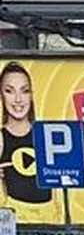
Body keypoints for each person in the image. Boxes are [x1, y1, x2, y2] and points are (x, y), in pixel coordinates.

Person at [0, 59, 44, 205]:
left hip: (52, 220)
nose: (18, 99)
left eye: (24, 91)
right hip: (13, 221)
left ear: (31, 95)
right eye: (9, 91)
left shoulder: (46, 135)